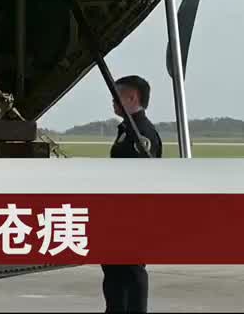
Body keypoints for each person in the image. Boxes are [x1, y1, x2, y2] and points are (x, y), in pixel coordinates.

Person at [103, 75, 163, 314]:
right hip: (118, 214)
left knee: (130, 270)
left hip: (132, 216)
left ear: (132, 97)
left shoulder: (142, 135)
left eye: (117, 95)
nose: (112, 100)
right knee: (114, 270)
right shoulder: (128, 130)